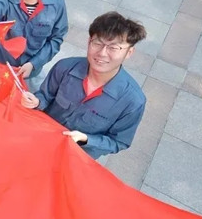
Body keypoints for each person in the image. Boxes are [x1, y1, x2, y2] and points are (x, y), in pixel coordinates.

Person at [21, 12, 146, 160]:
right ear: (89, 42)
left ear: (129, 52)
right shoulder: (65, 67)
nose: (102, 53)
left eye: (113, 48)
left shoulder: (133, 101)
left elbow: (118, 142)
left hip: (75, 157)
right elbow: (45, 95)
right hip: (41, 138)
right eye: (97, 43)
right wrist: (37, 101)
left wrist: (86, 139)